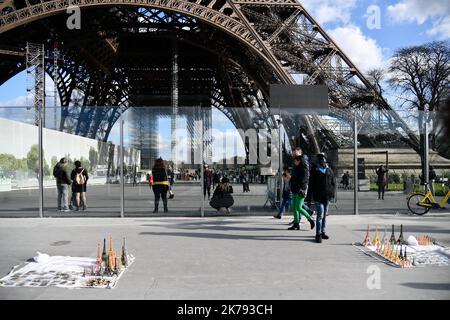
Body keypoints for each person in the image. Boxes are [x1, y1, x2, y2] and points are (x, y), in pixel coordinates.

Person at [307, 154, 335, 243]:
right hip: (318, 196)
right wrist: (309, 197)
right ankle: (318, 234)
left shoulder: (329, 170)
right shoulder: (315, 171)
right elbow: (311, 185)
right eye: (320, 159)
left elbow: (333, 183)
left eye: (323, 159)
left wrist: (332, 194)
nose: (322, 161)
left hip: (327, 196)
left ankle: (323, 231)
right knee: (319, 215)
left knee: (324, 216)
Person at [289, 155, 315, 231]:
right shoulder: (296, 167)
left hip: (300, 189)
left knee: (299, 207)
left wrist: (302, 189)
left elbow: (305, 180)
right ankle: (296, 223)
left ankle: (310, 219)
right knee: (294, 207)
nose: (294, 162)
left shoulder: (304, 168)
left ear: (299, 161)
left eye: (295, 161)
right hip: (294, 188)